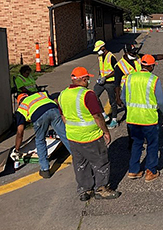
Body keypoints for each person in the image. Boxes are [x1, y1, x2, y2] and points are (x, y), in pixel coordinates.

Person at [58, 67, 121, 201]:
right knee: (101, 163)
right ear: (83, 79)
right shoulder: (88, 95)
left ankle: (85, 190)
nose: (88, 81)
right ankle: (101, 189)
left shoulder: (62, 94)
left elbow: (63, 116)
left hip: (73, 137)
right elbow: (97, 116)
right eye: (87, 78)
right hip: (91, 136)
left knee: (80, 164)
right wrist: (106, 131)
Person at [121, 54, 163, 182]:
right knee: (152, 145)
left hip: (132, 118)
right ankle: (150, 171)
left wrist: (131, 109)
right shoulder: (153, 79)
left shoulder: (129, 78)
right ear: (151, 66)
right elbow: (161, 101)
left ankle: (133, 170)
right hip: (148, 119)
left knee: (136, 143)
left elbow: (123, 98)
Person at [14, 92, 71, 178]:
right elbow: (55, 100)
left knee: (40, 140)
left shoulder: (21, 108)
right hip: (53, 109)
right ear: (27, 96)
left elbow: (20, 132)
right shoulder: (40, 94)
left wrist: (17, 149)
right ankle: (79, 157)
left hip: (39, 117)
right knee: (64, 135)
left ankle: (45, 170)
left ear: (19, 102)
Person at [93, 40, 118, 129]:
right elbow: (101, 68)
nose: (97, 52)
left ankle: (114, 120)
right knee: (94, 96)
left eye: (98, 49)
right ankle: (104, 115)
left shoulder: (111, 57)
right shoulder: (99, 57)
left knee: (112, 101)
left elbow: (116, 70)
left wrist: (106, 77)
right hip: (102, 82)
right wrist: (100, 76)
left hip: (110, 82)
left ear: (103, 48)